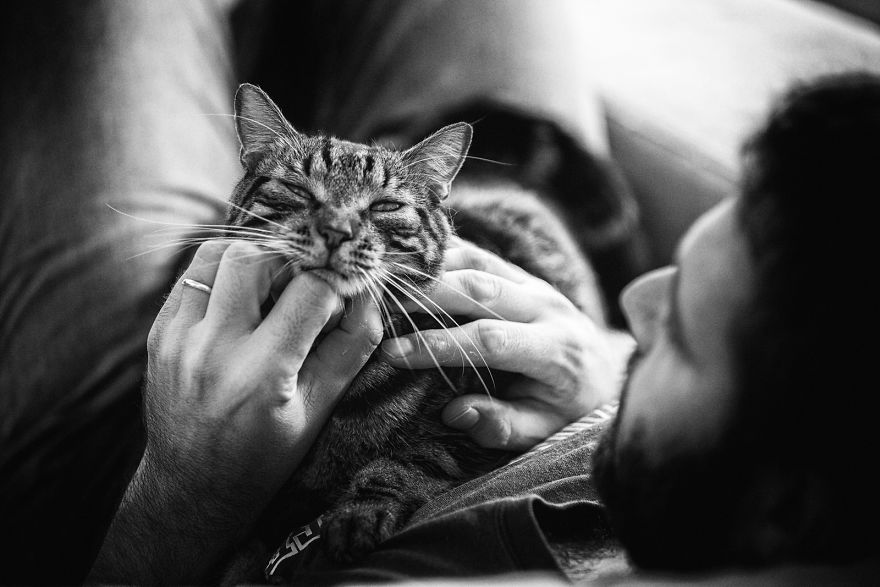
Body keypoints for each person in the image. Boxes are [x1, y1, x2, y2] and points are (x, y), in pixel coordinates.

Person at [88, 71, 880, 584]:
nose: (639, 309)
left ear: (788, 510)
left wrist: (179, 494)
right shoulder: (719, 477)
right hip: (522, 240)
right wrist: (605, 370)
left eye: (679, 335)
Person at [0, 1, 644, 584]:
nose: (337, 228)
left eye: (381, 211)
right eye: (297, 194)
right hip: (579, 350)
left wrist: (185, 487)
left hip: (111, 442)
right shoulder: (681, 482)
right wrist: (612, 372)